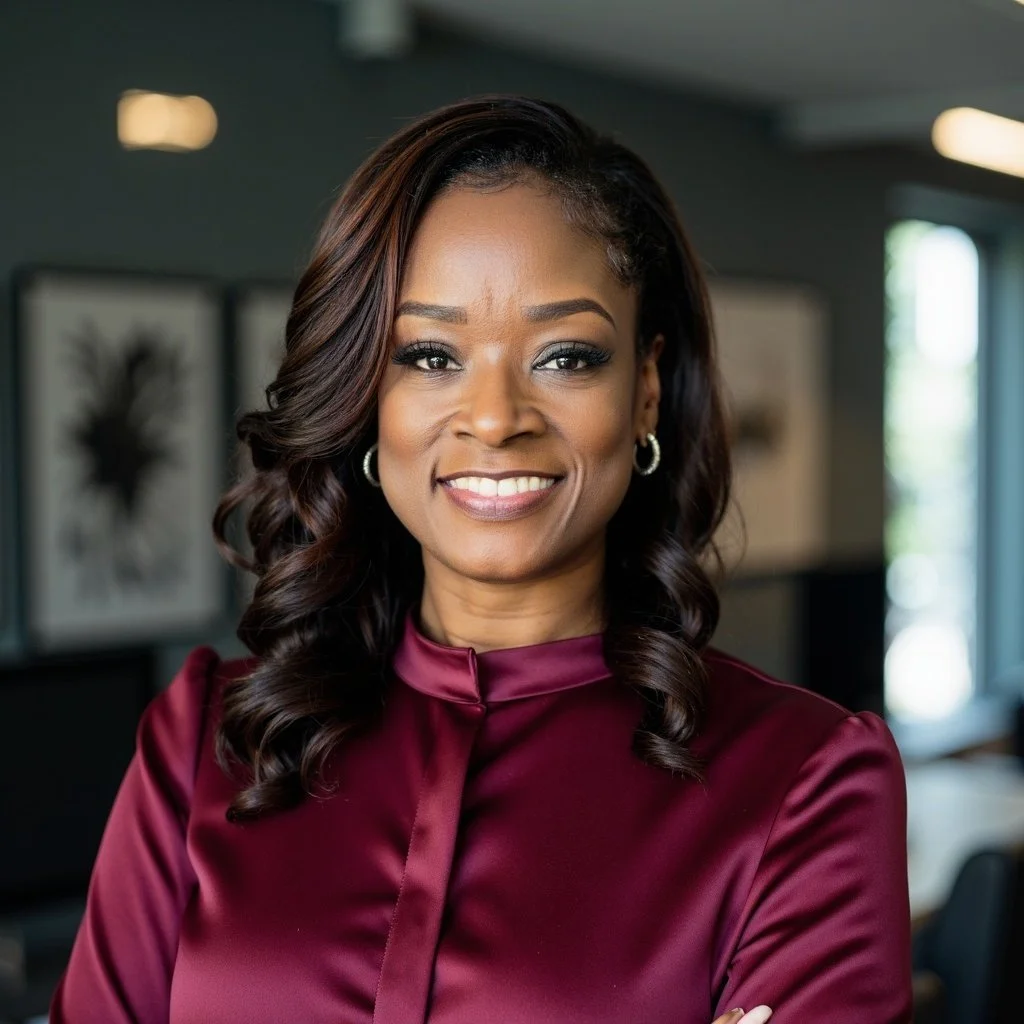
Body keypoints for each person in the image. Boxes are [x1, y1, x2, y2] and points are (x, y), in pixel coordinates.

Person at [50, 95, 912, 1024]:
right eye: (429, 355)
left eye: (566, 357)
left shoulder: (802, 783)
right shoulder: (200, 745)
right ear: (364, 394)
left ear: (646, 390)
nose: (496, 418)